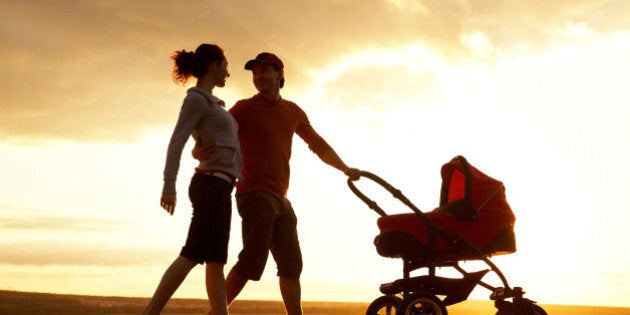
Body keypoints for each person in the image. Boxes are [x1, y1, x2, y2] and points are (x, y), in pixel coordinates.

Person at [194, 52, 359, 315]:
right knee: (252, 261)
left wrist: (345, 168)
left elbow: (317, 145)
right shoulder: (245, 108)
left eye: (264, 71)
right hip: (253, 193)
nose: (258, 77)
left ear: (280, 74)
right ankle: (215, 314)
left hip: (281, 199)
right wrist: (199, 147)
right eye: (255, 73)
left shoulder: (292, 111)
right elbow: (215, 128)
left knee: (292, 264)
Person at [142, 43, 241, 315]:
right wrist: (168, 185)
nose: (228, 73)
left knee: (216, 260)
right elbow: (177, 141)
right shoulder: (196, 100)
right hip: (208, 184)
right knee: (193, 253)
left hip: (223, 187)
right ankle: (150, 312)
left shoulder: (214, 104)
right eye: (226, 66)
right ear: (214, 66)